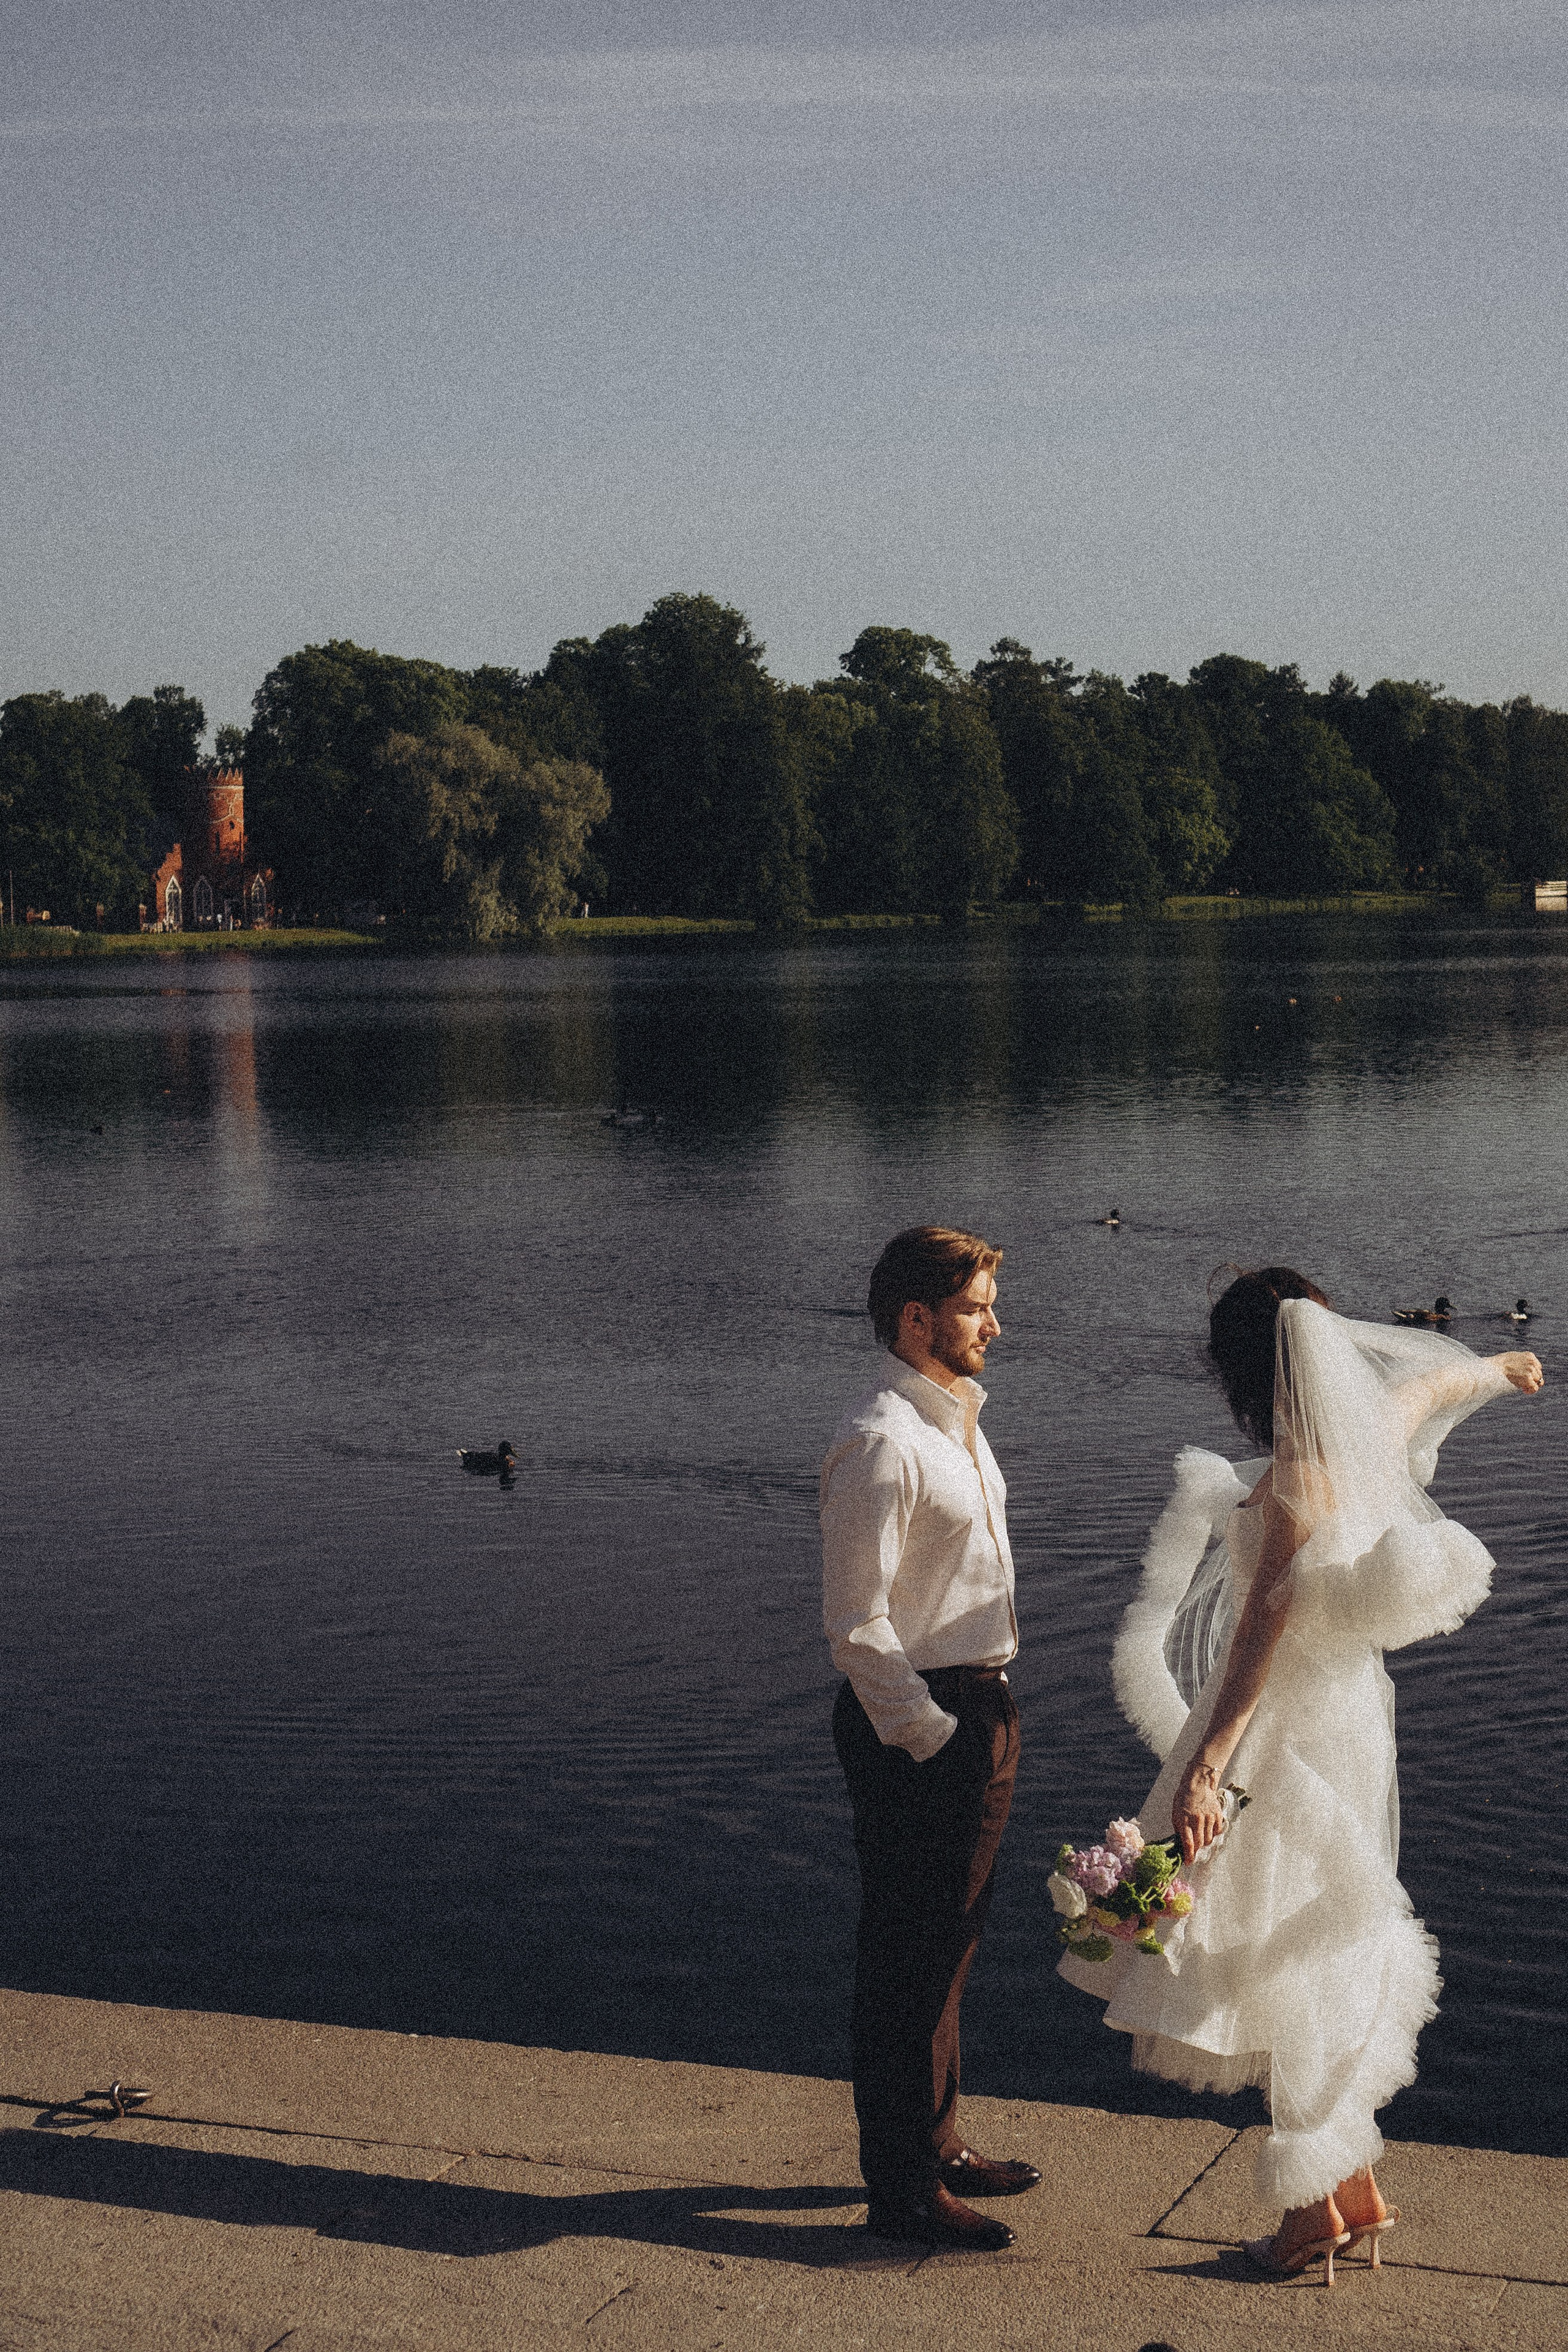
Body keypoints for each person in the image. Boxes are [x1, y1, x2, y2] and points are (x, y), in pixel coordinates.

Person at [1061, 1267, 1544, 2283]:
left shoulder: (1293, 1480)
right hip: (1351, 1720)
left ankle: (1307, 2216)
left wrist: (1205, 1769)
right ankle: (1353, 2192)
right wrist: (1497, 1370)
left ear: (1242, 1370)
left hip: (1283, 1729)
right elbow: (1422, 1391)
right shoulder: (1358, 1447)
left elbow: (1257, 1634)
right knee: (1314, 1937)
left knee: (1267, 1953)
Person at [821, 1225, 1040, 2253]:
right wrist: (934, 1736)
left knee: (949, 1946)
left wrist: (974, 1725)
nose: (995, 1324)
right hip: (919, 1720)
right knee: (906, 1957)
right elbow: (857, 1626)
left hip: (976, 1706)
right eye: (975, 1307)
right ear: (917, 1319)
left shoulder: (956, 1423)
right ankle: (901, 2188)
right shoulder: (882, 1442)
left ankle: (937, 2144)